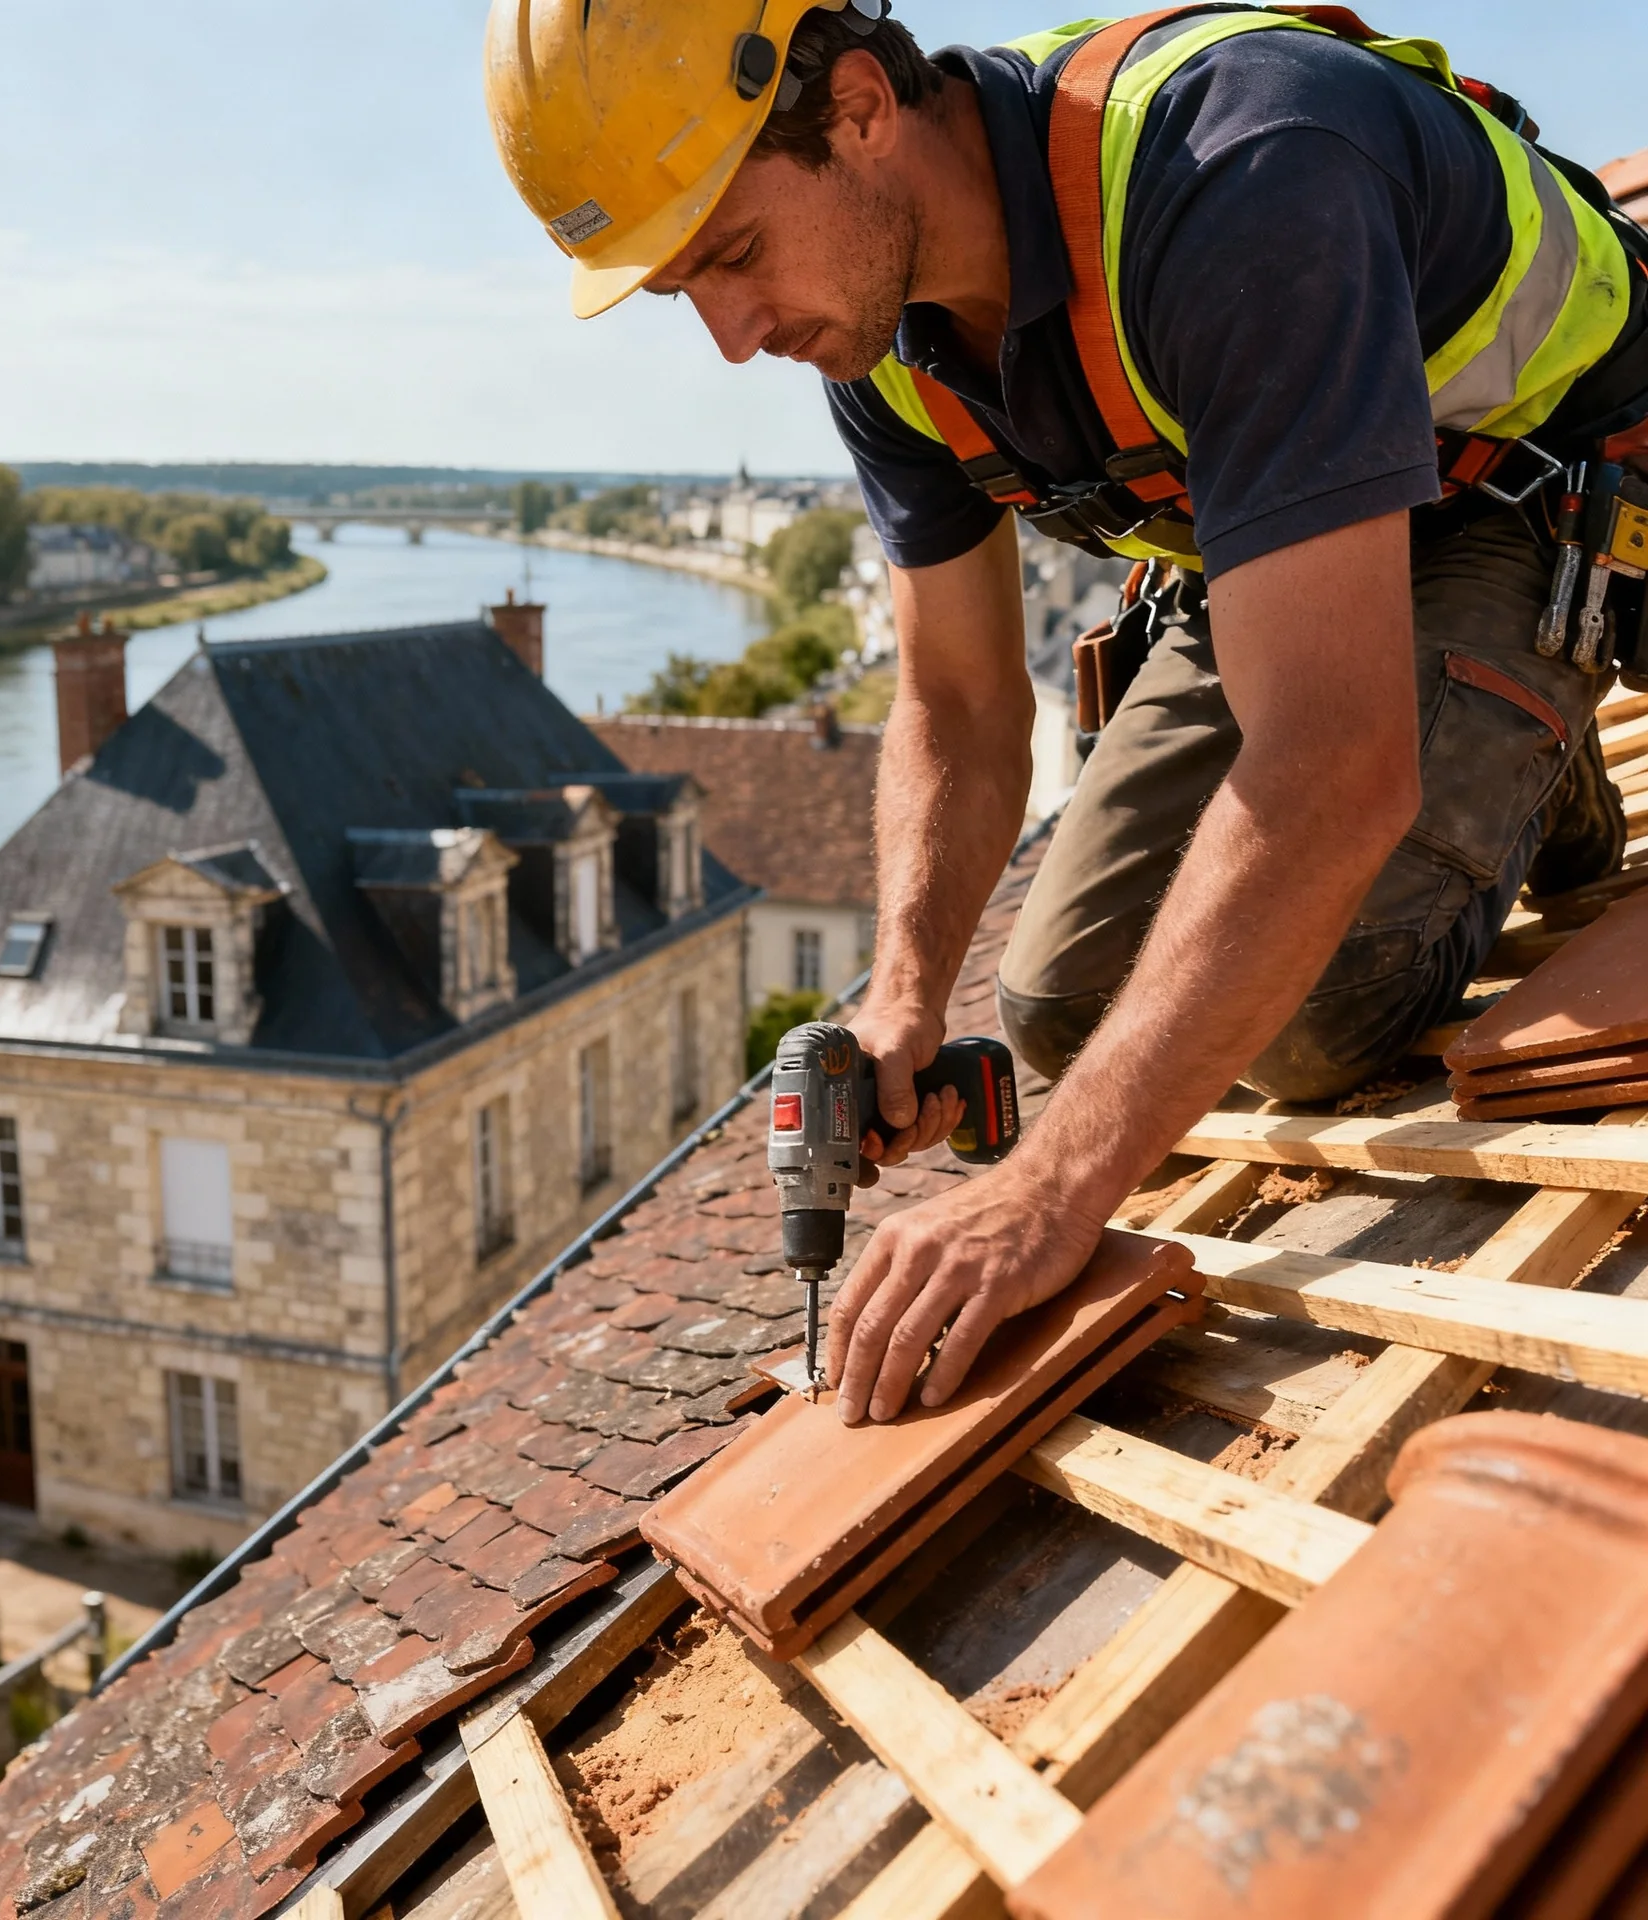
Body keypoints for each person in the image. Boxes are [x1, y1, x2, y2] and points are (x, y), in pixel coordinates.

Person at [486, 2, 1648, 1423]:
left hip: (1523, 490)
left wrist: (1046, 1194)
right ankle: (1487, 733)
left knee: (1321, 1010)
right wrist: (906, 997)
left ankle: (1539, 746)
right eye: (682, 292)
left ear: (860, 107)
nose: (737, 339)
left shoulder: (1240, 174)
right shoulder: (884, 335)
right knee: (1058, 1004)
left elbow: (1333, 765)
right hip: (1289, 546)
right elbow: (962, 699)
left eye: (732, 253)